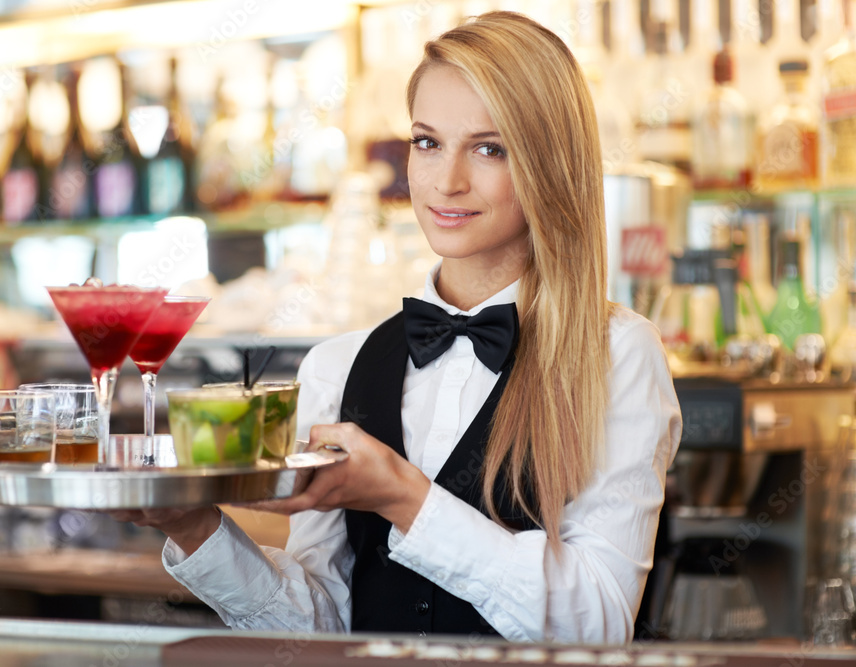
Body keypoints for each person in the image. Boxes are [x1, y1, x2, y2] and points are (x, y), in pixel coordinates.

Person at [112, 11, 682, 644]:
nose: (447, 180)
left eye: (489, 148)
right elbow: (322, 631)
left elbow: (599, 624)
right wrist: (196, 529)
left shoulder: (617, 354)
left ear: (550, 164)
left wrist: (403, 498)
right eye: (427, 142)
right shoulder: (335, 366)